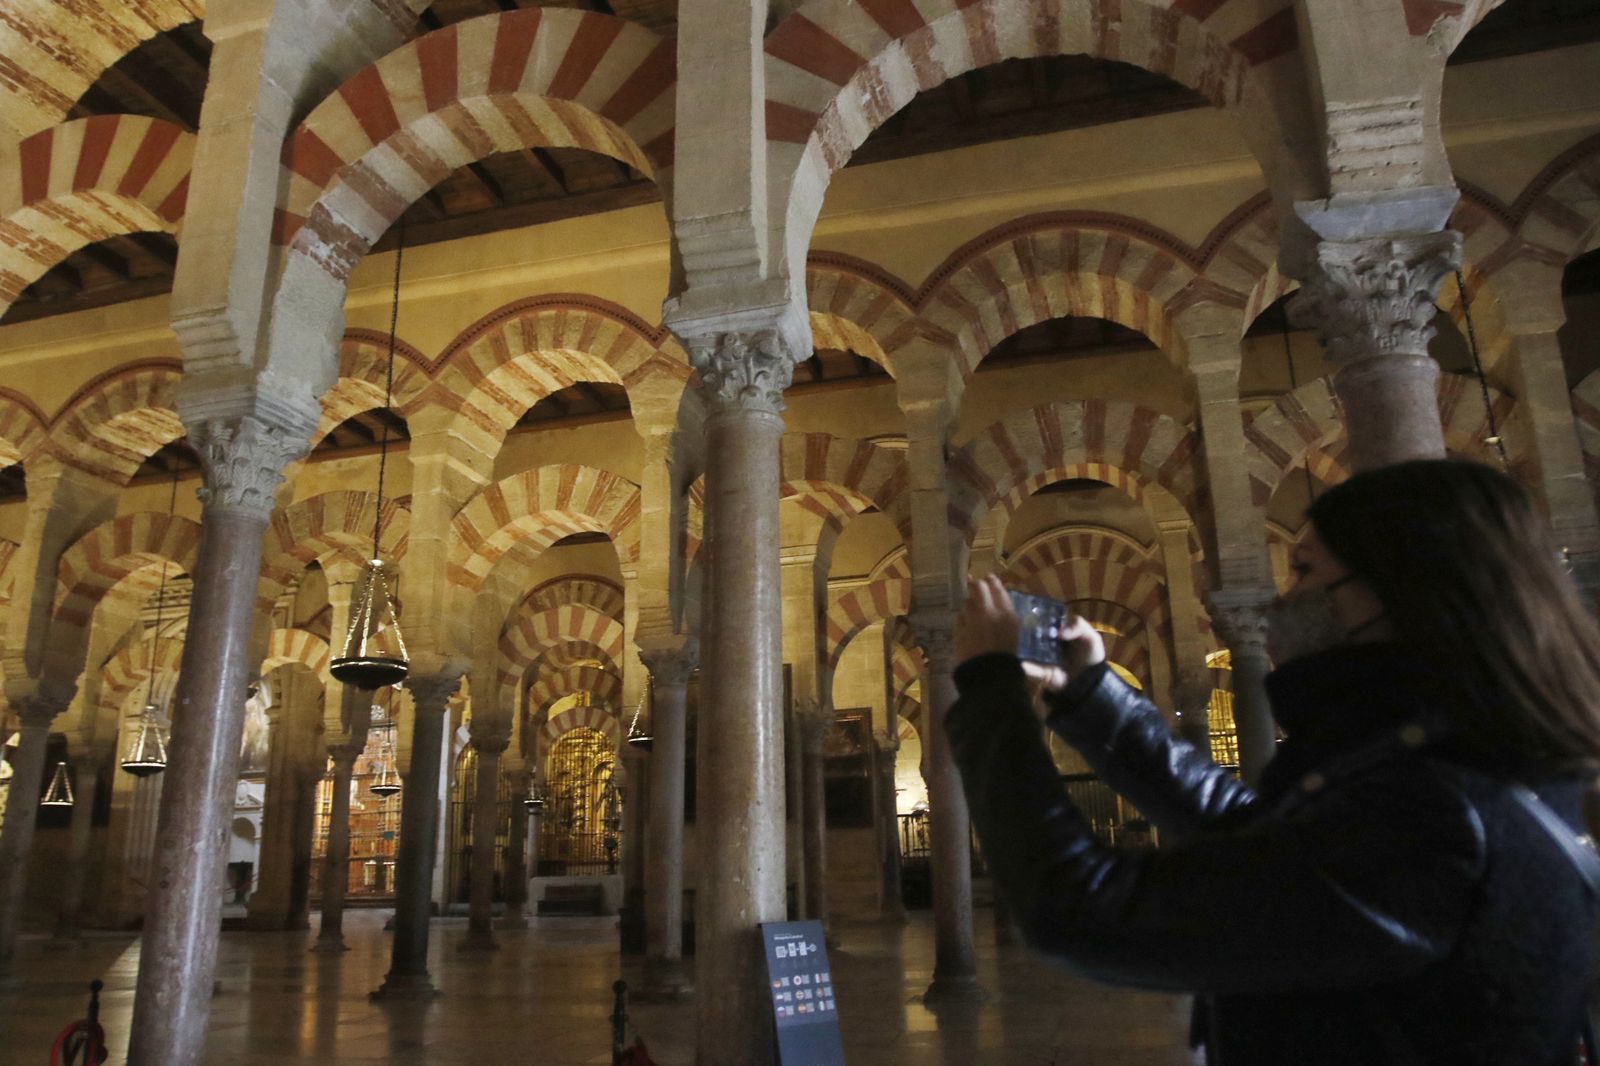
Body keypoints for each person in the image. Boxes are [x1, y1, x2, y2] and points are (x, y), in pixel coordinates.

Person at [946, 458, 1600, 1065]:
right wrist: (1092, 693)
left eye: (1306, 571)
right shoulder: (1448, 768)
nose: (1278, 601)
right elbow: (1254, 832)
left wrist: (988, 689)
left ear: (1392, 591)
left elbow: (1081, 911)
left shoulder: (1438, 817)